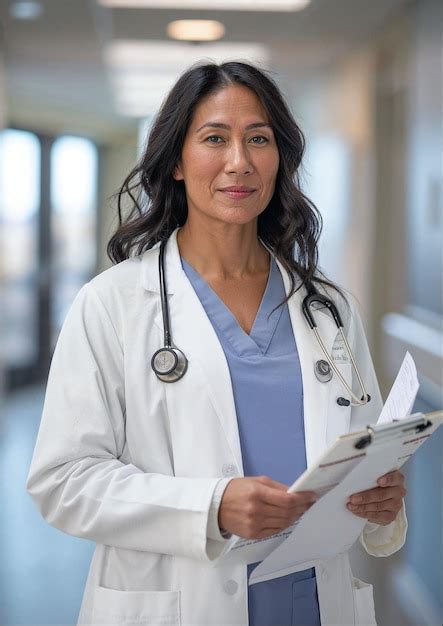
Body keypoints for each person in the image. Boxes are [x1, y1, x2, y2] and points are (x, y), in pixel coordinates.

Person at [27, 61, 407, 626]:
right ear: (176, 161)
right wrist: (211, 508)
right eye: (214, 139)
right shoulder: (113, 303)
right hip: (177, 605)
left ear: (280, 157)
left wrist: (382, 504)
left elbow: (371, 451)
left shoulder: (327, 306)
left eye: (259, 139)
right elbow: (63, 480)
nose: (240, 162)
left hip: (312, 604)